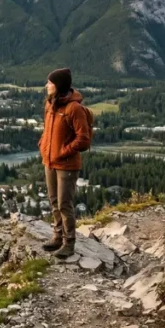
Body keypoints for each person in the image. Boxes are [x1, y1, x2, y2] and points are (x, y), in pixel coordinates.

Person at [38, 68, 92, 259]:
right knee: (54, 202)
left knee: (64, 204)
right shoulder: (50, 105)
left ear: (58, 86)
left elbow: (83, 139)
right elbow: (47, 130)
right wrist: (43, 145)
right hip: (50, 161)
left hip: (67, 165)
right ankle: (57, 236)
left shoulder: (73, 108)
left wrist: (63, 152)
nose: (47, 86)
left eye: (50, 83)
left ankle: (69, 243)